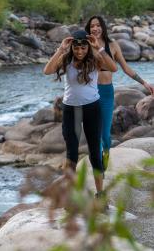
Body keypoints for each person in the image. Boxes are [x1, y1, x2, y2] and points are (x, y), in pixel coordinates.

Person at [44, 30, 117, 195]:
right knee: (72, 155)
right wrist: (61, 49)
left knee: (94, 153)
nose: (79, 52)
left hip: (92, 108)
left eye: (83, 48)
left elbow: (113, 68)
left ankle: (100, 194)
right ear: (72, 47)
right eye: (76, 48)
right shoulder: (66, 59)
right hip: (71, 111)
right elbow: (47, 71)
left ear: (87, 47)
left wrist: (99, 48)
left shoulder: (95, 59)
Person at [85, 16, 154, 171]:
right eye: (92, 26)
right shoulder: (86, 46)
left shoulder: (113, 45)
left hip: (107, 93)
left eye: (97, 25)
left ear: (103, 27)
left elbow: (125, 68)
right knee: (93, 133)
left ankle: (105, 162)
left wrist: (143, 82)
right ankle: (98, 169)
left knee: (106, 137)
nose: (95, 29)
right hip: (90, 93)